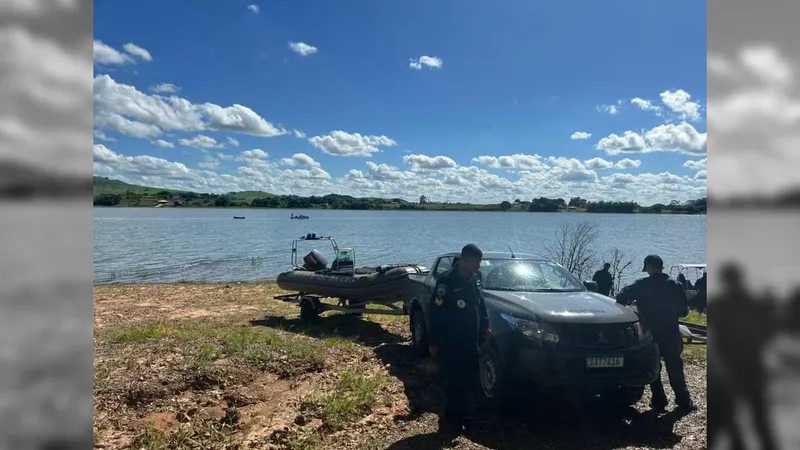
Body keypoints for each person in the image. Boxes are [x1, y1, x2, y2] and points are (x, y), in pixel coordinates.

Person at [615, 254, 694, 412]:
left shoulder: (641, 285)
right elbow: (684, 311)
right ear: (661, 267)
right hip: (671, 332)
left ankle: (659, 400)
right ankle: (683, 400)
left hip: (650, 332)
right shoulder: (675, 285)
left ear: (649, 268)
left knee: (653, 367)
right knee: (675, 366)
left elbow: (620, 297)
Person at [711, 263, 777, 450]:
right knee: (739, 418)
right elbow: (769, 330)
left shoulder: (721, 305)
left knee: (744, 417)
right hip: (741, 366)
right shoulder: (752, 303)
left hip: (737, 366)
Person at [427, 244, 490, 435]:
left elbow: (480, 304)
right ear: (464, 260)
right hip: (453, 340)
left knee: (471, 377)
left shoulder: (475, 277)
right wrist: (434, 341)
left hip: (472, 339)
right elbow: (436, 312)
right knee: (456, 381)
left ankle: (465, 416)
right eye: (476, 263)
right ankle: (452, 420)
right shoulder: (447, 281)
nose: (478, 267)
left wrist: (485, 326)